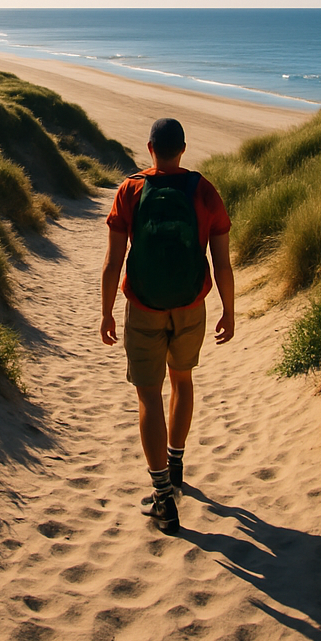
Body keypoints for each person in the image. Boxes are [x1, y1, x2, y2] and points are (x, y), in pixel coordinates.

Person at [100, 117, 235, 535]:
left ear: (149, 148)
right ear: (183, 148)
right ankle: (176, 467)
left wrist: (106, 311)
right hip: (191, 307)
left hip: (144, 308)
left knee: (148, 397)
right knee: (183, 382)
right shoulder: (204, 190)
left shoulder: (131, 189)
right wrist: (229, 310)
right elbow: (222, 262)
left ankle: (162, 497)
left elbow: (113, 262)